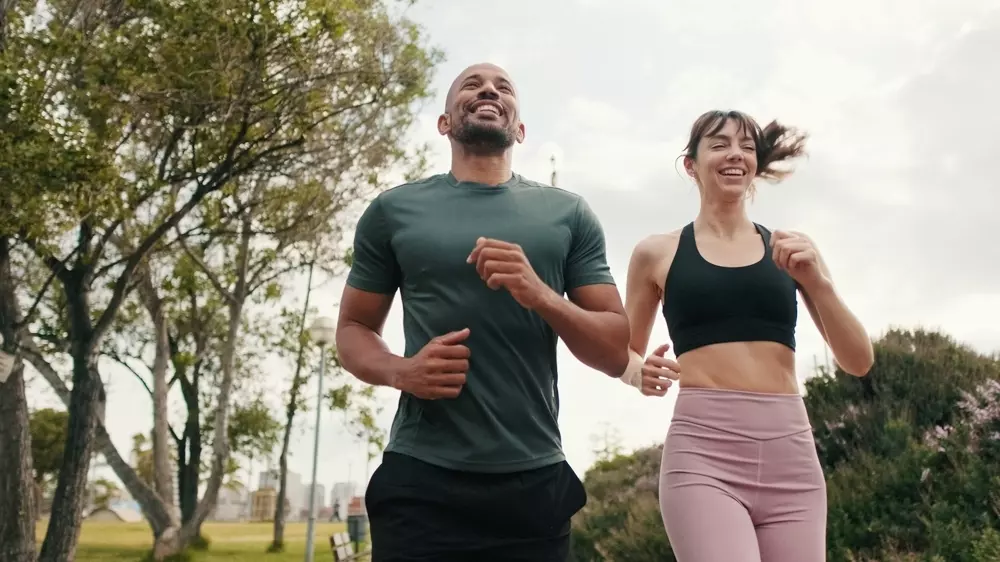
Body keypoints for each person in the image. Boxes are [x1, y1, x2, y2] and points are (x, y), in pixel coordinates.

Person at [335, 62, 630, 562]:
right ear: (445, 122)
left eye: (503, 87)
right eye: (471, 85)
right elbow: (353, 327)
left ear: (519, 129)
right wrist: (401, 370)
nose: (489, 89)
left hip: (532, 483)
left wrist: (541, 294)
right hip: (421, 479)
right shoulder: (393, 211)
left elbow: (613, 347)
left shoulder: (569, 214)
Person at [618, 109, 874, 562]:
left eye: (747, 147)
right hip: (704, 455)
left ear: (755, 165)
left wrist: (818, 282)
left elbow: (858, 361)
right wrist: (640, 373)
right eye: (719, 144)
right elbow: (624, 351)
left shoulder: (793, 250)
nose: (735, 154)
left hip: (791, 458)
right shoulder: (656, 253)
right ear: (691, 165)